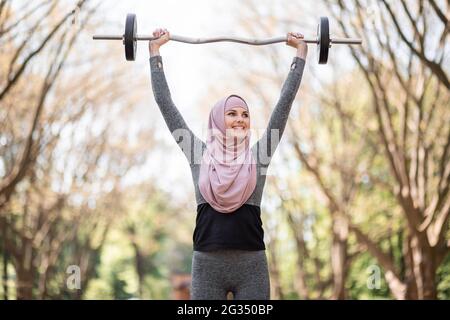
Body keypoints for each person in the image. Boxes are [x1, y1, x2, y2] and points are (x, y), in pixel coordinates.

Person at [149, 27, 307, 300]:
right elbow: (166, 105)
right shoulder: (197, 153)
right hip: (207, 265)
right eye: (231, 113)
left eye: (245, 114)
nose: (240, 119)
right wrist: (154, 53)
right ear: (218, 120)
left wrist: (300, 56)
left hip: (252, 265)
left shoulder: (259, 156)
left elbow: (284, 105)